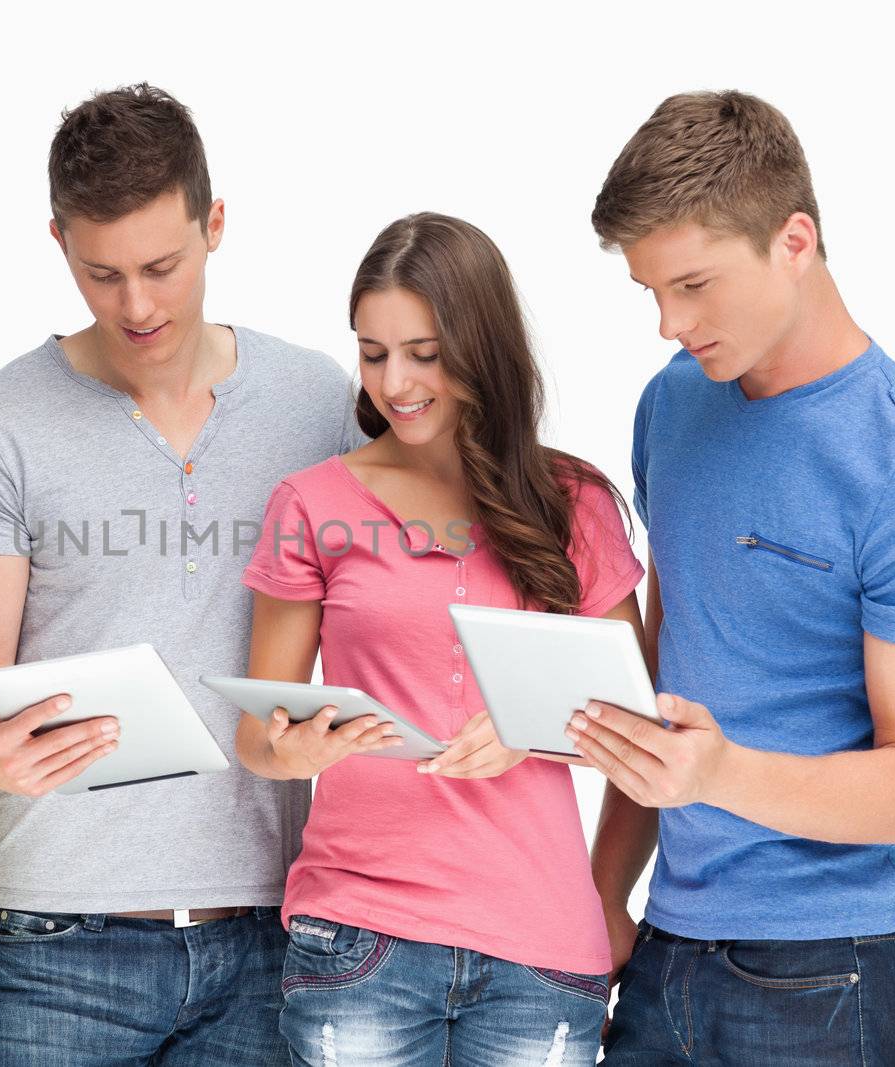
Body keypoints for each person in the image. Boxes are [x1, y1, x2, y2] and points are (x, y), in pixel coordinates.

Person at [577, 91, 895, 1066]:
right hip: (665, 954)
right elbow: (664, 674)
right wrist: (605, 889)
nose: (667, 324)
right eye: (649, 292)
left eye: (692, 285)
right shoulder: (674, 405)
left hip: (834, 976)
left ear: (793, 239)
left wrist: (720, 772)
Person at [0, 84, 360, 1065]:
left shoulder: (312, 401)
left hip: (264, 928)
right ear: (58, 242)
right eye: (101, 272)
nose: (136, 305)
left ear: (215, 224)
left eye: (162, 267)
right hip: (60, 935)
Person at [238, 212, 645, 1067]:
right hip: (359, 939)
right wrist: (301, 747)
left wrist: (533, 726)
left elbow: (641, 735)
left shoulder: (574, 501)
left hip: (543, 946)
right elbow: (257, 737)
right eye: (373, 351)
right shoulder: (311, 503)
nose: (396, 381)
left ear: (479, 344)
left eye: (424, 352)